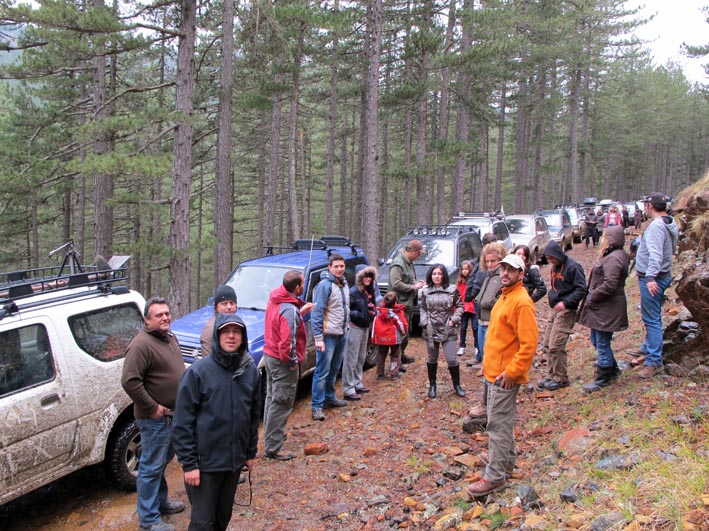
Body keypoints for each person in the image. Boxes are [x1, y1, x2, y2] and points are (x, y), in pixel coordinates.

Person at [172, 313, 260, 531]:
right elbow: (182, 422)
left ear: (243, 336)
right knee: (203, 523)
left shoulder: (250, 371)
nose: (231, 336)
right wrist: (189, 464)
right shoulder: (198, 372)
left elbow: (253, 416)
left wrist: (249, 453)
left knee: (223, 518)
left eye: (236, 331)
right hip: (205, 465)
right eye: (225, 332)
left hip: (232, 463)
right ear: (217, 336)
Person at [466, 254, 538, 497]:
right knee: (502, 422)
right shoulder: (505, 296)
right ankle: (506, 463)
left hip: (504, 376)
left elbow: (529, 345)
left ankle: (495, 477)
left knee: (497, 425)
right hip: (495, 372)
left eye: (511, 269)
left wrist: (512, 371)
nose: (505, 273)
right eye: (503, 268)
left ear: (521, 274)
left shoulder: (521, 302)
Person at [121, 297, 186, 531]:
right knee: (150, 466)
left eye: (167, 313)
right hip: (154, 419)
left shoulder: (169, 337)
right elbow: (129, 381)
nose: (165, 318)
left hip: (173, 415)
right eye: (159, 315)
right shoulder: (141, 345)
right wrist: (152, 407)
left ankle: (160, 502)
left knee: (160, 462)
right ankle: (148, 520)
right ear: (147, 320)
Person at [262, 270, 313, 460]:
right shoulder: (289, 309)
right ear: (297, 287)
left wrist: (300, 312)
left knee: (272, 398)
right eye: (303, 283)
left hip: (270, 356)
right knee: (282, 402)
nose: (304, 286)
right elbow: (287, 342)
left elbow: (280, 322)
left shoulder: (276, 299)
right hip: (281, 360)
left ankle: (271, 436)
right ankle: (273, 447)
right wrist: (292, 362)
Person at [628, 192, 678, 378]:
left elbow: (656, 255)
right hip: (662, 274)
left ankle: (654, 361)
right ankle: (649, 347)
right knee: (653, 316)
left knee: (651, 319)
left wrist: (650, 278)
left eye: (646, 204)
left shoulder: (657, 226)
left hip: (653, 278)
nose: (644, 207)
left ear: (650, 206)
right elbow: (672, 249)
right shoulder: (669, 221)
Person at [577, 226, 629, 392]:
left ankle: (604, 376)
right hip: (604, 307)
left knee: (601, 341)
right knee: (596, 339)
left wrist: (593, 296)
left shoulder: (614, 258)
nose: (602, 239)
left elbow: (610, 284)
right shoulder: (613, 255)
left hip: (607, 307)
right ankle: (612, 369)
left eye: (605, 236)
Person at [537, 241, 587, 391]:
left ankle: (561, 378)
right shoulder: (555, 267)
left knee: (556, 345)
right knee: (547, 343)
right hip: (555, 309)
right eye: (548, 258)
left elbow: (581, 289)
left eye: (551, 258)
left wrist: (566, 303)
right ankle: (551, 375)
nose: (550, 261)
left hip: (566, 310)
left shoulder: (573, 267)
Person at [310, 253, 350, 421]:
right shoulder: (324, 285)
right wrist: (318, 338)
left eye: (342, 266)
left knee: (334, 369)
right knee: (322, 371)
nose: (339, 269)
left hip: (342, 333)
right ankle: (316, 406)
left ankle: (329, 398)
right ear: (330, 267)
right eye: (336, 266)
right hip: (327, 336)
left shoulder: (344, 283)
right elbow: (317, 313)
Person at [420, 264, 464, 398]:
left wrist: (453, 320)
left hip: (447, 329)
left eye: (439, 273)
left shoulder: (452, 290)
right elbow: (422, 308)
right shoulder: (425, 291)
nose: (437, 276)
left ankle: (457, 385)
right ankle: (432, 385)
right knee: (432, 358)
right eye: (434, 274)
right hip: (431, 329)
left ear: (444, 275)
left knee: (451, 359)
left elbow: (460, 306)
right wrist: (424, 321)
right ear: (430, 276)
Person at [343, 265, 378, 400]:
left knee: (361, 357)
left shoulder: (369, 291)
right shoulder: (353, 292)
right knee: (351, 359)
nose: (367, 279)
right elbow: (347, 310)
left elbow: (372, 305)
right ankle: (348, 388)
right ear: (359, 277)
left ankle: (357, 383)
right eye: (365, 276)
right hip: (354, 327)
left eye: (370, 276)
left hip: (365, 327)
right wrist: (359, 314)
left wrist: (373, 312)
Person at [388, 239, 425, 366]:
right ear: (412, 251)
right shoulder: (398, 264)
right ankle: (395, 362)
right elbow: (396, 283)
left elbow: (409, 278)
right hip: (400, 304)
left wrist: (416, 283)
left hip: (407, 304)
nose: (419, 256)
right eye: (419, 253)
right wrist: (413, 287)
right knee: (399, 334)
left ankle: (400, 356)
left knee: (405, 332)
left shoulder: (408, 262)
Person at [371, 291, 408, 379]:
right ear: (396, 301)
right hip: (394, 338)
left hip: (381, 338)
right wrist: (403, 333)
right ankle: (394, 373)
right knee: (395, 355)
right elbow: (402, 324)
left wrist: (373, 338)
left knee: (381, 355)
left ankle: (380, 374)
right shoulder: (397, 312)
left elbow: (374, 325)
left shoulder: (379, 312)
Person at [200, 285, 237, 357]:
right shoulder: (211, 329)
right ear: (216, 307)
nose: (229, 307)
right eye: (224, 304)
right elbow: (208, 363)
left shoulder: (237, 325)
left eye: (232, 303)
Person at [456, 260, 477, 357]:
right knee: (463, 327)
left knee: (475, 327)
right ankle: (462, 346)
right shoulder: (460, 282)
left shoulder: (474, 280)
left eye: (466, 269)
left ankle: (477, 346)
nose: (464, 271)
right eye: (463, 269)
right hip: (464, 306)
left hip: (473, 305)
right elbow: (458, 294)